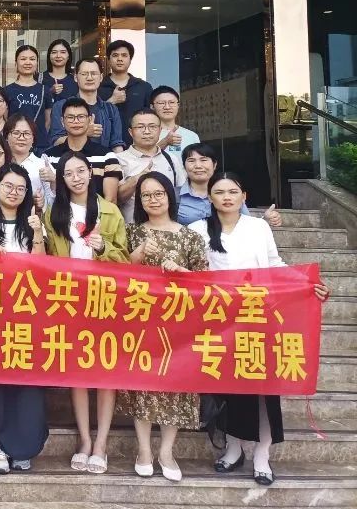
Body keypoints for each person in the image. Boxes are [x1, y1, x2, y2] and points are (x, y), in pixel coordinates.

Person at [188, 172, 329, 486]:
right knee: (225, 387)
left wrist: (308, 284)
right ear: (209, 197)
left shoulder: (258, 227)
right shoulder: (197, 229)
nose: (226, 197)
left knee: (262, 389)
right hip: (217, 319)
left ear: (244, 196)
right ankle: (233, 448)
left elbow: (274, 264)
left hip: (258, 316)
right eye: (219, 192)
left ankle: (262, 455)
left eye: (233, 191)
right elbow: (194, 274)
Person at [43, 151, 129, 475]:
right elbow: (46, 258)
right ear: (61, 179)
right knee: (77, 372)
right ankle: (84, 439)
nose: (76, 178)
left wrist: (103, 248)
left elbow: (125, 261)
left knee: (106, 372)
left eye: (81, 171)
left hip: (104, 299)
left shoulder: (110, 211)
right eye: (69, 173)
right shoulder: (54, 213)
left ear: (91, 173)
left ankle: (102, 443)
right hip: (68, 300)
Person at [118, 171, 206, 483]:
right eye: (146, 195)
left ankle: (167, 452)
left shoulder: (190, 236)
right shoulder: (131, 232)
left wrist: (181, 271)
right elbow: (117, 274)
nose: (153, 200)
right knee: (142, 385)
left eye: (158, 193)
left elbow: (205, 283)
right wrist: (140, 253)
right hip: (141, 321)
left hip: (179, 324)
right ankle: (144, 450)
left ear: (169, 196)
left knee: (176, 385)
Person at [0, 164, 47, 475]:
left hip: (27, 314)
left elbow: (42, 268)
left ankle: (25, 446)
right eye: (8, 186)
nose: (14, 192)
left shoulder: (32, 224)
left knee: (26, 384)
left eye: (21, 188)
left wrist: (38, 233)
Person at [177, 143, 282, 228]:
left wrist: (265, 220)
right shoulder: (174, 195)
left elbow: (245, 225)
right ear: (184, 166)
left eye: (203, 160)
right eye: (191, 161)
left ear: (214, 165)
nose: (198, 166)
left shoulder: (230, 193)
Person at [42, 98, 121, 203]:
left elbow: (110, 200)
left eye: (81, 117)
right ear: (62, 121)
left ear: (90, 119)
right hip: (60, 212)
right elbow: (46, 198)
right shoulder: (48, 157)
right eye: (70, 117)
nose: (76, 121)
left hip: (98, 213)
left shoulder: (107, 156)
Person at [114, 109, 186, 222]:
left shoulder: (171, 159)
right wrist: (136, 180)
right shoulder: (118, 160)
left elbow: (180, 194)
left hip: (167, 228)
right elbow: (114, 199)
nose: (147, 131)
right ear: (130, 132)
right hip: (131, 228)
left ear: (160, 130)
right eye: (140, 127)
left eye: (152, 126)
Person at [50, 58, 125, 152]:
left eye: (94, 74)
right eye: (84, 74)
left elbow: (116, 144)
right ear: (76, 77)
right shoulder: (61, 106)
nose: (89, 78)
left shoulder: (111, 109)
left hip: (103, 160)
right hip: (70, 159)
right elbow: (56, 141)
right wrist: (84, 133)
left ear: (101, 77)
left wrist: (118, 160)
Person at [99, 39, 152, 134]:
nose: (120, 59)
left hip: (137, 140)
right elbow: (91, 117)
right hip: (105, 140)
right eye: (115, 55)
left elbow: (151, 117)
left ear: (130, 60)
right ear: (108, 60)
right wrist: (111, 101)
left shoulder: (143, 87)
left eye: (124, 55)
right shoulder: (98, 87)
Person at [4, 45, 51, 139]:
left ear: (37, 63)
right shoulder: (7, 90)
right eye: (23, 59)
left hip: (40, 143)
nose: (28, 62)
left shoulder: (45, 90)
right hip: (15, 142)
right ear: (16, 63)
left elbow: (47, 121)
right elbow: (5, 119)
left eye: (32, 59)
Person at [5, 112, 46, 204]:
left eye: (27, 134)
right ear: (7, 136)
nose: (21, 138)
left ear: (33, 138)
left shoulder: (43, 165)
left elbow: (52, 199)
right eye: (16, 133)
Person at [150, 86, 199, 155]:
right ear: (152, 107)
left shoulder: (192, 136)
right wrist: (165, 142)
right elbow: (140, 159)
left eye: (172, 102)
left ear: (178, 105)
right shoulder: (146, 134)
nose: (167, 107)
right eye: (161, 103)